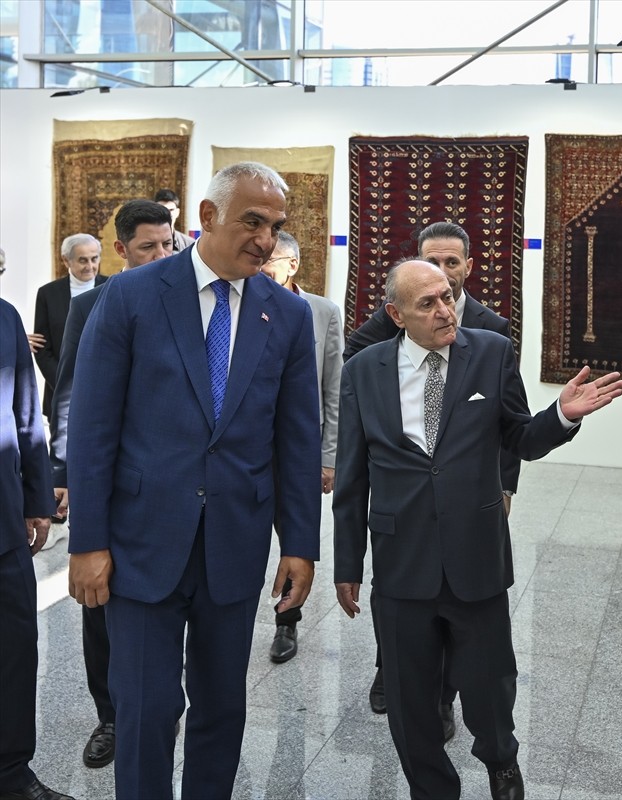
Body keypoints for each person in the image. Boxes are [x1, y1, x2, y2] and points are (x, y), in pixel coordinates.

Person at [67, 162, 322, 800]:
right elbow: (95, 428)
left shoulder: (285, 316)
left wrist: (300, 543)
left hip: (233, 545)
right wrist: (87, 543)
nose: (266, 240)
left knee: (221, 711)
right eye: (252, 222)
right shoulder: (130, 296)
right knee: (147, 712)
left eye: (276, 226)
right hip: (141, 545)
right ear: (207, 218)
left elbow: (296, 438)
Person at [333, 259, 622, 800]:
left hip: (476, 555)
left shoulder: (490, 352)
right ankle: (432, 786)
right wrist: (347, 564)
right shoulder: (364, 369)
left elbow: (521, 438)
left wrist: (561, 416)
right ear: (396, 315)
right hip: (402, 562)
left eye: (447, 296)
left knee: (490, 686)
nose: (446, 310)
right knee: (408, 697)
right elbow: (352, 474)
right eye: (428, 304)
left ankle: (501, 762)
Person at [344, 222, 521, 729]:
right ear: (397, 313)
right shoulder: (380, 347)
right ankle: (410, 685)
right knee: (410, 630)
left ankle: (487, 741)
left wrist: (504, 484)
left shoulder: (491, 336)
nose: (442, 290)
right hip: (407, 524)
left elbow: (510, 424)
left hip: (472, 508)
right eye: (431, 267)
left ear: (468, 267)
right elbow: (356, 472)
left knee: (478, 648)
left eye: (451, 269)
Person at [47, 199, 174, 770]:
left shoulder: (187, 302)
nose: (161, 255)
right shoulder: (95, 303)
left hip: (169, 488)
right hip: (108, 481)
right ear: (121, 250)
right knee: (99, 606)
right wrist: (68, 474)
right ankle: (111, 715)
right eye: (149, 247)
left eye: (169, 245)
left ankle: (160, 708)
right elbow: (71, 393)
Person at [0, 296, 74, 800]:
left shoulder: (4, 317)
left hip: (3, 527)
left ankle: (11, 773)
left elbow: (27, 413)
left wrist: (36, 500)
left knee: (14, 651)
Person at [259, 230, 343, 663]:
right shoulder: (243, 301)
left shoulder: (322, 312)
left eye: (270, 259)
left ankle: (286, 623)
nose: (260, 264)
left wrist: (328, 457)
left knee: (297, 538)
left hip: (300, 449)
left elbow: (334, 388)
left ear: (292, 264)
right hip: (250, 447)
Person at [32, 233, 106, 421]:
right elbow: (42, 348)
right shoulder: (48, 294)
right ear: (66, 260)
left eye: (94, 259)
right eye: (82, 260)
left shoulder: (111, 287)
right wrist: (65, 385)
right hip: (61, 393)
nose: (90, 266)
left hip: (104, 390)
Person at [154, 188, 192, 253]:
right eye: (163, 210)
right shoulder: (145, 242)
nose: (167, 214)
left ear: (177, 212)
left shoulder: (189, 245)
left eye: (171, 210)